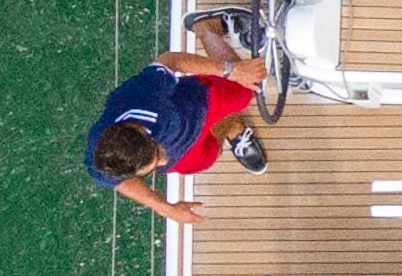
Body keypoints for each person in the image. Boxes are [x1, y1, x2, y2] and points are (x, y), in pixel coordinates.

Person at [81, 16, 267, 223]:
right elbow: (116, 181)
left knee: (245, 90)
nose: (164, 161)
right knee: (206, 159)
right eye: (153, 167)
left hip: (197, 104)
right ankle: (232, 125)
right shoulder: (103, 160)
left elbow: (171, 60)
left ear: (142, 131)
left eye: (157, 154)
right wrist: (166, 209)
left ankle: (206, 27)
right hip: (183, 147)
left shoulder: (145, 97)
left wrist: (232, 71)